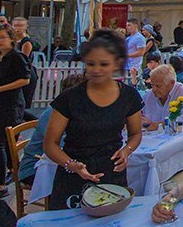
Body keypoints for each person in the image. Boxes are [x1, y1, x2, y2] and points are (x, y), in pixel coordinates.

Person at [44, 30, 144, 210]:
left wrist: (127, 151)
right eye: (91, 64)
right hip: (74, 173)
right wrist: (71, 165)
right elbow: (50, 144)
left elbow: (136, 133)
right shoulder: (69, 98)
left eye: (103, 64)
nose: (96, 70)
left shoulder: (129, 96)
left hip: (112, 172)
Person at [0, 24, 30, 199]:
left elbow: (25, 80)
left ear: (11, 38)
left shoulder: (17, 57)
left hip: (10, 105)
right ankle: (12, 169)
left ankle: (0, 183)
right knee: (1, 141)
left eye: (3, 37)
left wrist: (1, 89)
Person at [18, 74, 86, 187]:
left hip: (59, 165)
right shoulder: (53, 114)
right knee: (79, 181)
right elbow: (60, 146)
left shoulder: (79, 112)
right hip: (35, 168)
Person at [11, 17, 37, 118]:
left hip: (25, 72)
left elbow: (23, 59)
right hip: (15, 72)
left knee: (21, 104)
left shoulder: (26, 42)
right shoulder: (11, 40)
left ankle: (34, 122)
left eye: (21, 26)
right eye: (16, 25)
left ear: (26, 27)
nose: (18, 28)